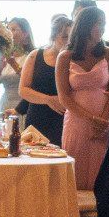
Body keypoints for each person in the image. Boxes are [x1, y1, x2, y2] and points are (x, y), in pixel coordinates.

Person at [58, 6, 109, 191]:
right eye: (98, 24)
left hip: (105, 121)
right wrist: (90, 119)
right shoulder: (65, 57)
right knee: (75, 178)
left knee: (105, 179)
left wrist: (103, 120)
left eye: (104, 24)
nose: (102, 29)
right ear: (84, 26)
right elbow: (64, 97)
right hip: (77, 123)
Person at [17, 14, 70, 145]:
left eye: (71, 38)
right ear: (53, 36)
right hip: (38, 117)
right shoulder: (35, 56)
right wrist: (48, 100)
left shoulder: (74, 59)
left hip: (65, 118)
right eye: (64, 37)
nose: (68, 42)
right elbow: (23, 90)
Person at [0, 17, 32, 115]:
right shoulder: (4, 57)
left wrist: (14, 64)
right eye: (8, 29)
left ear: (25, 34)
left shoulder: (31, 56)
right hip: (5, 105)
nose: (9, 32)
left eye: (13, 29)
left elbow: (32, 83)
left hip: (23, 106)